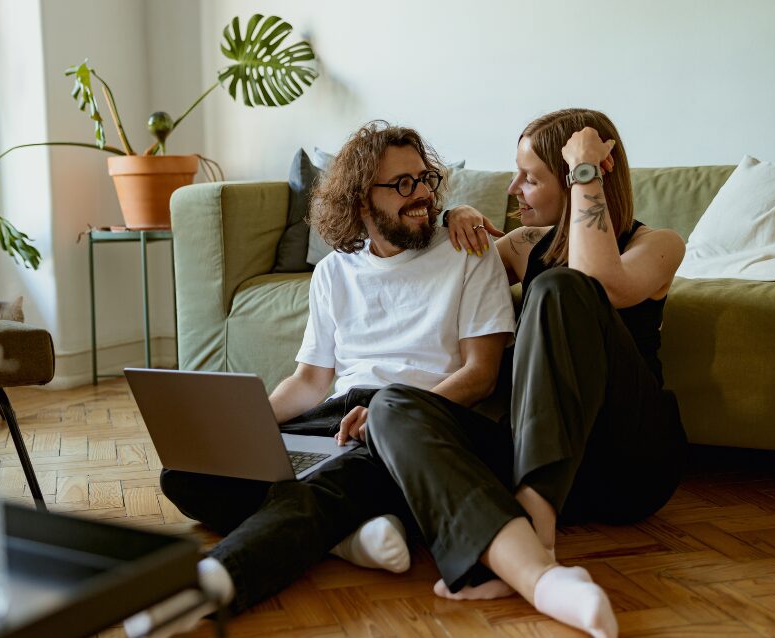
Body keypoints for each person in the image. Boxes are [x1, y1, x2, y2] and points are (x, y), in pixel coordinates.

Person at [156, 121, 516, 619]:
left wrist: (388, 418)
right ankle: (352, 536)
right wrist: (246, 427)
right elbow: (309, 382)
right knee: (190, 474)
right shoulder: (333, 272)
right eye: (401, 185)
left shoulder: (466, 252)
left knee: (327, 484)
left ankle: (207, 585)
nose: (422, 197)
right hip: (337, 417)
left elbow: (482, 374)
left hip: (417, 423)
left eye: (425, 179)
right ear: (361, 201)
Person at [361, 108, 688, 638]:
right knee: (392, 405)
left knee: (560, 289)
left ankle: (534, 526)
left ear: (581, 179)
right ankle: (504, 548)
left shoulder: (659, 244)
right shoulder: (523, 245)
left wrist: (585, 167)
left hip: (628, 463)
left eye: (531, 177)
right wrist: (457, 214)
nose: (514, 188)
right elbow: (451, 272)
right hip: (541, 456)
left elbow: (597, 281)